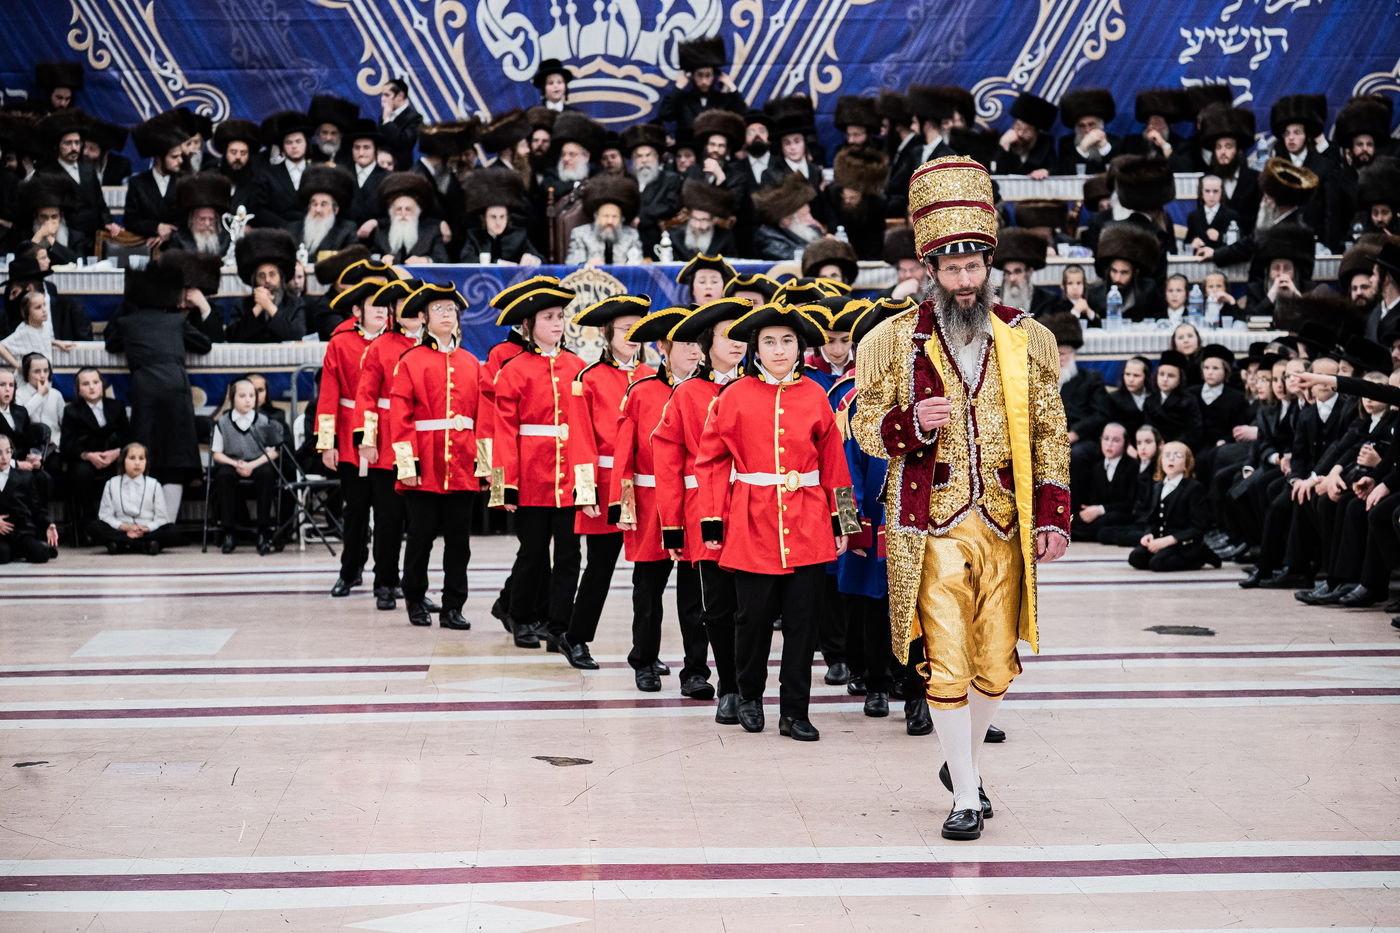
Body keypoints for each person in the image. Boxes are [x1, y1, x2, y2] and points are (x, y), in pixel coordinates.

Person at [851, 155, 1070, 840]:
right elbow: (862, 423)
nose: (965, 281)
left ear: (990, 262)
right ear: (927, 269)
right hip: (930, 523)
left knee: (997, 665)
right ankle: (967, 794)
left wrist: (1056, 514)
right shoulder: (890, 339)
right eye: (951, 269)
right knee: (944, 661)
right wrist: (911, 423)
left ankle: (963, 764)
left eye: (974, 267)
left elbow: (1051, 430)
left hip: (1004, 519)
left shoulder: (1027, 336)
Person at [696, 303, 857, 741]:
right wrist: (713, 519)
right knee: (751, 619)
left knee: (803, 625)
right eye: (769, 341)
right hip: (752, 521)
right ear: (755, 349)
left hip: (807, 522)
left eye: (787, 341)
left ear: (800, 347)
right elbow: (709, 462)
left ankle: (795, 712)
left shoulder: (815, 396)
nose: (779, 349)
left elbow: (834, 464)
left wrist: (843, 521)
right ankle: (748, 696)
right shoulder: (733, 396)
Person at [652, 296, 752, 711]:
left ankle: (748, 685)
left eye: (741, 334)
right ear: (707, 342)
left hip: (753, 507)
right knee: (711, 604)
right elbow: (668, 461)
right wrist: (671, 524)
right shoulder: (687, 393)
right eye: (727, 334)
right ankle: (716, 680)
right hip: (703, 510)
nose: (737, 343)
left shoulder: (759, 388)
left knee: (753, 605)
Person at [610, 307, 707, 692]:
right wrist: (624, 504)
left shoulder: (708, 391)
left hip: (695, 504)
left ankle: (696, 671)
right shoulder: (641, 391)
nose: (692, 350)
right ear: (664, 347)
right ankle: (645, 661)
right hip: (651, 504)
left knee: (694, 594)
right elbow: (624, 454)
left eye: (696, 342)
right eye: (683, 342)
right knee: (648, 590)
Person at [557, 295, 657, 669]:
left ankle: (643, 651)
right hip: (603, 482)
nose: (632, 336)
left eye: (637, 330)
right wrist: (585, 490)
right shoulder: (588, 378)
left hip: (644, 487)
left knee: (647, 573)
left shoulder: (650, 376)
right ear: (606, 333)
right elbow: (579, 437)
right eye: (624, 329)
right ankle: (575, 637)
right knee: (600, 567)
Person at [492, 280, 586, 651]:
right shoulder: (514, 369)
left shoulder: (577, 366)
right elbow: (503, 430)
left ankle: (558, 623)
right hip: (530, 474)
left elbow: (584, 427)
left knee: (568, 554)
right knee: (532, 552)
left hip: (568, 478)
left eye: (560, 316)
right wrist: (506, 483)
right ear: (529, 325)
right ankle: (519, 615)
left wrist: (586, 480)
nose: (557, 323)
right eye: (548, 317)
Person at [387, 284, 482, 629]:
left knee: (459, 542)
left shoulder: (471, 363)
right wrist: (406, 465)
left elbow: (482, 419)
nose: (447, 315)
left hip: (461, 464)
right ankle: (414, 597)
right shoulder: (410, 361)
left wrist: (482, 467)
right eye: (439, 309)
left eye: (451, 310)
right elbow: (399, 418)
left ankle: (454, 604)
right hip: (423, 463)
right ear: (424, 318)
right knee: (421, 536)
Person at [103, 260, 212, 520]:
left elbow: (111, 342)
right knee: (176, 454)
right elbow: (204, 344)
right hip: (175, 384)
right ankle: (167, 522)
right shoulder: (176, 321)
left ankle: (144, 519)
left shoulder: (128, 323)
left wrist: (128, 305)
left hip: (145, 386)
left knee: (145, 449)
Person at [350, 279, 423, 611]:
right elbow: (365, 395)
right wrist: (367, 439)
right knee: (388, 519)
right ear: (394, 311)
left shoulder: (432, 347)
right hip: (389, 445)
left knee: (421, 524)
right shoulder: (380, 346)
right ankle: (384, 581)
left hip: (423, 444)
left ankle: (414, 587)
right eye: (405, 305)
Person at [315, 279, 386, 595]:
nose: (382, 312)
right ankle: (350, 569)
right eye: (375, 306)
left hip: (386, 434)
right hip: (347, 435)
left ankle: (388, 576)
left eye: (385, 306)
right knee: (355, 508)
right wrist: (327, 442)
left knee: (388, 512)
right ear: (358, 311)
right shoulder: (340, 343)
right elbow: (328, 395)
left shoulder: (397, 342)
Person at [210, 378, 283, 554]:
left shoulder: (264, 421)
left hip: (257, 461)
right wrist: (236, 463)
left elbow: (273, 452)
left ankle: (262, 531)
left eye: (252, 395)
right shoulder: (223, 422)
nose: (248, 400)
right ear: (232, 398)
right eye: (242, 396)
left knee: (267, 474)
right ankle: (228, 532)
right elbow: (217, 453)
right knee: (223, 476)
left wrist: (251, 465)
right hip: (232, 462)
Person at [1128, 442, 1219, 571]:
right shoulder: (1158, 486)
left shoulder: (1194, 488)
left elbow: (1198, 527)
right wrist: (1148, 534)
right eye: (1167, 455)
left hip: (1183, 543)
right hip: (1161, 540)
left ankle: (1201, 555)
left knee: (1157, 564)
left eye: (1177, 455)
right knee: (1135, 558)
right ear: (1161, 461)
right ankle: (1162, 555)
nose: (1171, 458)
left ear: (1186, 464)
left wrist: (1168, 541)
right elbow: (1153, 519)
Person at [61, 367, 130, 537]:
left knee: (124, 470)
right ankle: (89, 520)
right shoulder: (71, 411)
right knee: (81, 473)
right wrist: (88, 455)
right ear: (78, 390)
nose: (91, 387)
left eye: (95, 382)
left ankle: (121, 520)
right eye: (86, 384)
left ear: (102, 385)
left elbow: (129, 437)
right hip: (87, 460)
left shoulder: (116, 406)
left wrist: (117, 452)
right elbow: (67, 445)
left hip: (114, 457)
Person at [87, 442, 181, 554]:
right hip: (121, 531)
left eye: (141, 458)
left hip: (146, 532)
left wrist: (145, 529)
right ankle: (145, 546)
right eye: (132, 458)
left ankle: (121, 545)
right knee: (93, 527)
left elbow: (161, 518)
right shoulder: (111, 484)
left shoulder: (154, 484)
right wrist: (124, 527)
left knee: (173, 530)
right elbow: (105, 516)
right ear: (123, 461)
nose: (137, 463)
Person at [657, 36, 746, 145]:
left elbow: (743, 113)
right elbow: (664, 114)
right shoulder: (682, 100)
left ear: (714, 76)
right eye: (700, 75)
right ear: (693, 76)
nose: (704, 80)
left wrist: (731, 86)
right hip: (689, 153)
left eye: (708, 75)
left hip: (716, 151)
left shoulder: (723, 100)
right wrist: (678, 87)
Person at [228, 229, 307, 342]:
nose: (267, 280)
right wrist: (258, 308)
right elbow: (233, 337)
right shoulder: (241, 304)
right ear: (255, 280)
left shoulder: (296, 304)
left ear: (281, 278)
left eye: (272, 274)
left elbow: (296, 335)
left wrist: (269, 306)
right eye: (261, 275)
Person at [1071, 422, 1137, 542]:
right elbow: (1094, 498)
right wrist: (1090, 509)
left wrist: (1100, 509)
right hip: (1101, 514)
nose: (1109, 444)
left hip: (1120, 514)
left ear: (1125, 443)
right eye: (1106, 439)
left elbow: (1130, 503)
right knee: (1075, 517)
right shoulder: (1098, 466)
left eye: (1116, 440)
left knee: (1105, 521)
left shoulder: (1132, 466)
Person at [0, 433, 57, 564]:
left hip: (21, 530)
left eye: (8, 452)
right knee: (2, 554)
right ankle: (13, 552)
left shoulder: (24, 477)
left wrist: (49, 523)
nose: (4, 457)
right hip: (1, 534)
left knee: (40, 555)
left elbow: (36, 506)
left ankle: (35, 547)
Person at [368, 172, 450, 264]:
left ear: (418, 212)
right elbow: (371, 256)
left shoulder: (432, 231)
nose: (403, 214)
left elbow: (442, 259)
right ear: (391, 212)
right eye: (399, 209)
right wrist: (381, 259)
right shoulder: (380, 231)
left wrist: (426, 260)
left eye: (408, 209)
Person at [566, 175, 644, 265]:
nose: (610, 221)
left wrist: (625, 268)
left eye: (614, 217)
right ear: (596, 216)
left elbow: (637, 265)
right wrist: (587, 264)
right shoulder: (580, 234)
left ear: (622, 219)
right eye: (606, 216)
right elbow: (572, 265)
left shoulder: (631, 235)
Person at [1144, 350, 1203, 449]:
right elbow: (1148, 427)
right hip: (1156, 447)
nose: (1165, 379)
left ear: (1180, 379)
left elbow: (1194, 430)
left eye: (1171, 376)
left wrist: (1173, 445)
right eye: (1161, 374)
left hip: (1181, 446)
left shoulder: (1189, 400)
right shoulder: (1150, 400)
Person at [0, 292, 74, 368]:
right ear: (27, 312)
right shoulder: (24, 332)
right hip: (29, 377)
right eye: (38, 307)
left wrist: (54, 342)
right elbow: (1, 347)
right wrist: (17, 366)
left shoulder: (45, 326)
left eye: (44, 305)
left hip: (44, 374)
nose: (44, 310)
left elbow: (39, 339)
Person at [1106, 355, 1152, 436]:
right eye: (1127, 374)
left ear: (1146, 377)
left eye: (1136, 375)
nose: (1130, 379)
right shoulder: (1113, 399)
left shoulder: (1155, 397)